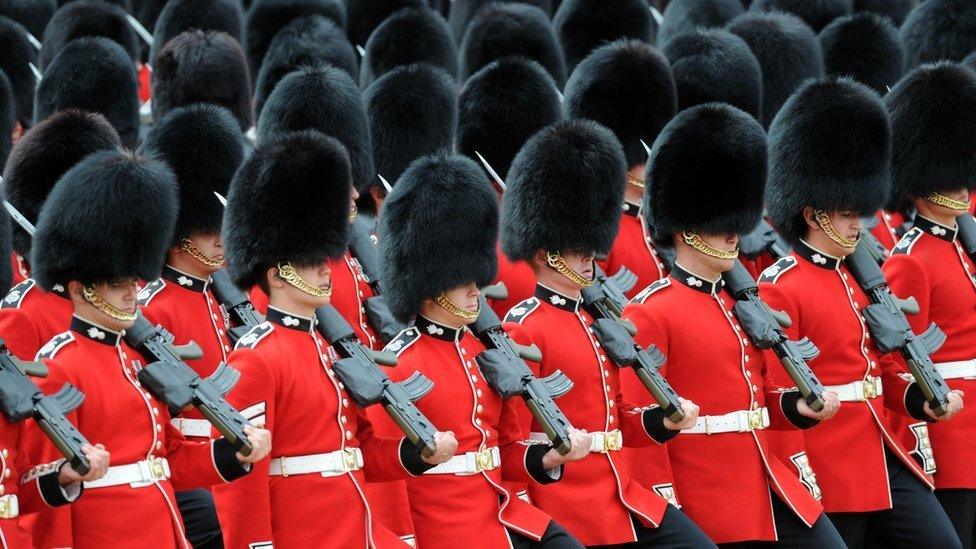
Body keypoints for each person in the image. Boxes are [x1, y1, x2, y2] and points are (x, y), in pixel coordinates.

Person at [214, 130, 458, 547]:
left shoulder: (327, 348)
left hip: (354, 529)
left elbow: (359, 446)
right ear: (276, 275)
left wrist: (415, 453)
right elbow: (243, 479)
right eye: (312, 263)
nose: (326, 270)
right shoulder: (256, 358)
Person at [23, 149, 270, 549]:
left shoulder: (136, 359)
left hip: (162, 528)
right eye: (116, 285)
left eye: (130, 282)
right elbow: (35, 483)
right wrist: (66, 476)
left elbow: (167, 457)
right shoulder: (58, 367)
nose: (130, 294)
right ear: (78, 290)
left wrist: (234, 453)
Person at [625, 101, 842, 546]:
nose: (732, 234)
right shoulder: (650, 311)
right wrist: (668, 509)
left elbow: (760, 392)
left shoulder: (741, 302)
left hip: (766, 480)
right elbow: (639, 427)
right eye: (720, 223)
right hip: (707, 493)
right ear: (686, 229)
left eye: (734, 222)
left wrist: (798, 409)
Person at [762, 77, 963, 548]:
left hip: (882, 450)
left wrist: (922, 401)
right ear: (813, 215)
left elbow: (885, 366)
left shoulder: (859, 279)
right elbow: (775, 390)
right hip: (830, 459)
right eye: (849, 214)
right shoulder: (781, 288)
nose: (860, 223)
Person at [501, 119, 712, 547]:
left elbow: (618, 419)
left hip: (625, 494)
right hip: (570, 504)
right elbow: (514, 443)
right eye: (578, 250)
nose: (591, 257)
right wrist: (549, 459)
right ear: (545, 254)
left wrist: (662, 420)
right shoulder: (523, 328)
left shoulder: (597, 322)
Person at [377, 152, 590, 548]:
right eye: (464, 282)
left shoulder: (485, 351)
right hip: (447, 530)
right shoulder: (400, 364)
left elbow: (507, 449)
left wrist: (549, 457)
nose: (478, 289)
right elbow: (386, 473)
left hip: (503, 513)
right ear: (433, 286)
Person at [136, 102, 245, 549]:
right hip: (197, 481)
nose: (221, 236)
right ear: (181, 232)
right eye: (208, 228)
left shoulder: (223, 296)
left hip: (238, 462)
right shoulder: (154, 309)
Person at [882, 61, 976, 547]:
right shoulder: (911, 260)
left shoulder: (963, 243)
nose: (962, 186)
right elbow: (902, 357)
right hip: (951, 432)